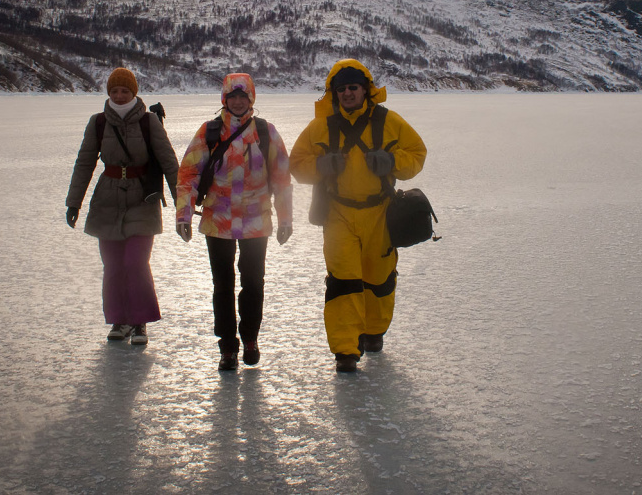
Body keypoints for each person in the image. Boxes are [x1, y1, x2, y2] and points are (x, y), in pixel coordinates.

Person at [290, 59, 426, 372]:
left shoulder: (389, 121)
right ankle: (346, 350)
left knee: (379, 279)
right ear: (334, 94)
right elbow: (296, 164)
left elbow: (417, 154)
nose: (348, 93)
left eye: (353, 87)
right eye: (342, 89)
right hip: (338, 214)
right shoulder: (320, 127)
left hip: (380, 213)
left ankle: (374, 332)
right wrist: (321, 166)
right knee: (343, 281)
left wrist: (391, 161)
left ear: (365, 90)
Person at [176, 73, 293, 371]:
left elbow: (281, 178)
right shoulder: (210, 132)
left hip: (256, 221)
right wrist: (184, 214)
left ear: (251, 99)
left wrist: (285, 218)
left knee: (253, 282)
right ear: (224, 100)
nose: (238, 102)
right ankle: (227, 346)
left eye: (243, 97)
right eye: (233, 97)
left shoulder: (266, 132)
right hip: (218, 220)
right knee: (223, 285)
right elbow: (189, 173)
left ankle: (250, 338)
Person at [65, 67, 179, 345]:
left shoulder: (149, 122)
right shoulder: (98, 123)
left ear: (133, 92)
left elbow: (168, 161)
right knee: (113, 265)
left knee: (136, 262)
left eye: (124, 91)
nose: (119, 95)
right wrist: (74, 203)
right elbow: (84, 163)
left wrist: (183, 202)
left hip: (143, 198)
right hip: (107, 199)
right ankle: (120, 320)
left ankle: (139, 322)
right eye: (114, 91)